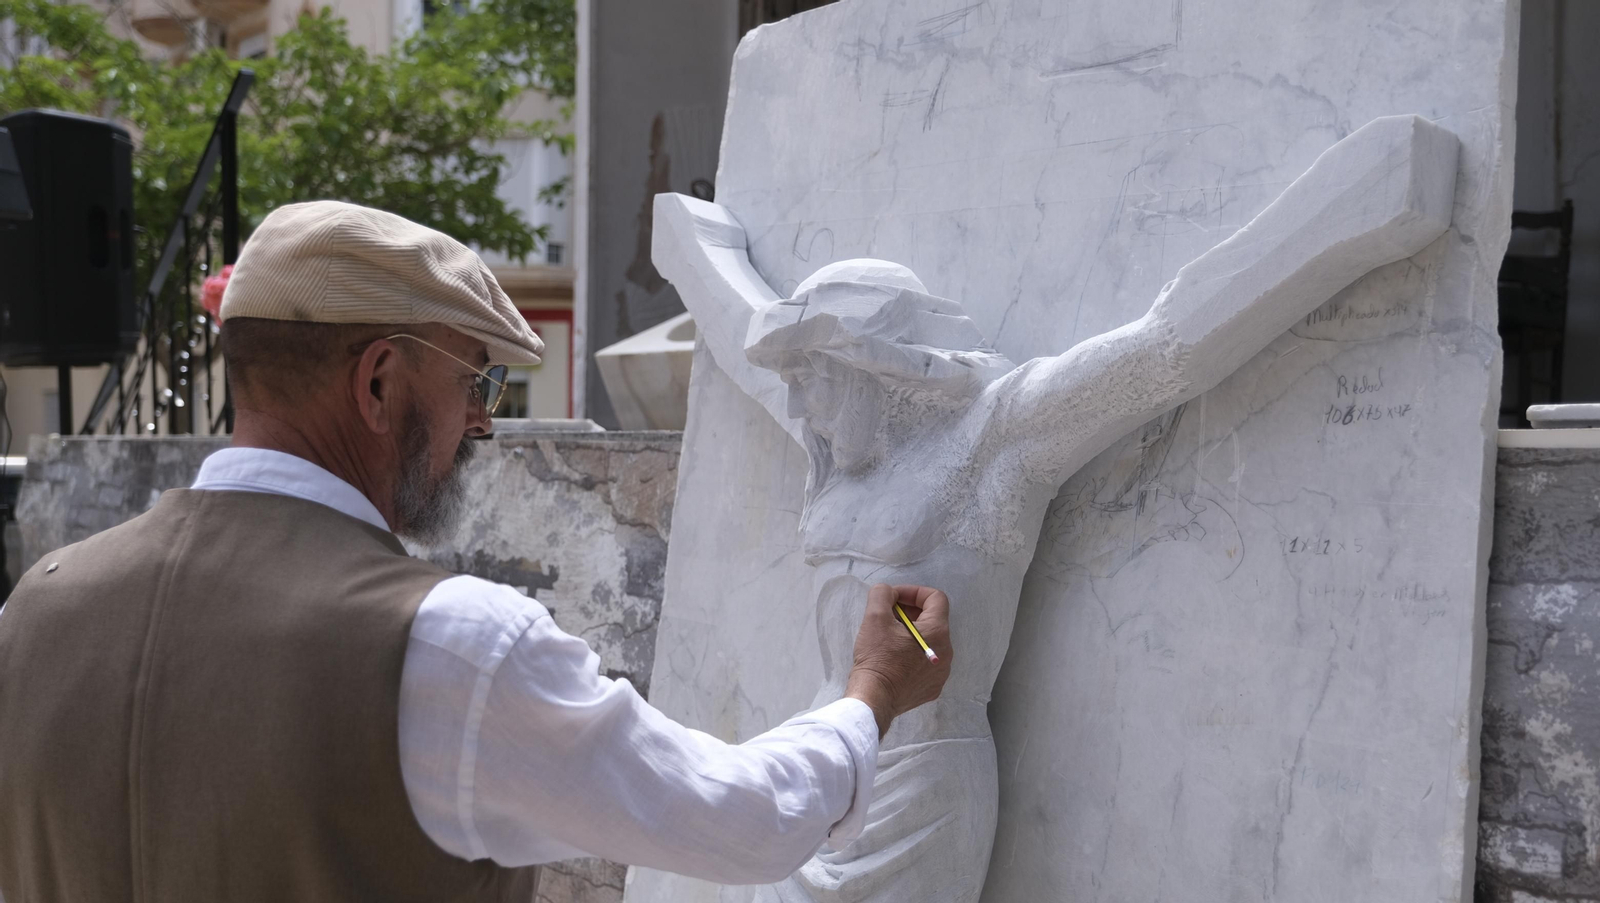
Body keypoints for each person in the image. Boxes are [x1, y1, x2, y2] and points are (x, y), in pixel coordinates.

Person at [0, 200, 953, 903]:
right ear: (379, 383)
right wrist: (872, 690)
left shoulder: (36, 610)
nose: (483, 426)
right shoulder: (446, 644)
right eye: (478, 382)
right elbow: (744, 819)